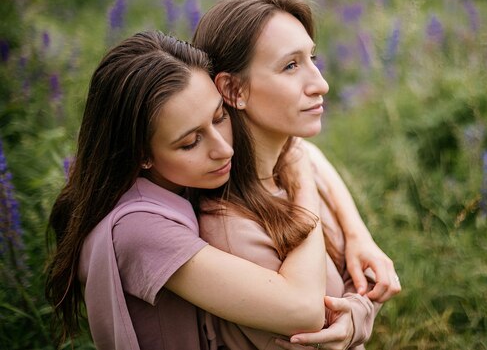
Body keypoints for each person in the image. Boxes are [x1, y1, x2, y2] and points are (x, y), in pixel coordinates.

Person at [45, 30, 330, 350]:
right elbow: (303, 310)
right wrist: (302, 178)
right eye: (190, 142)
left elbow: (300, 148)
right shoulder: (139, 230)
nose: (223, 149)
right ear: (142, 155)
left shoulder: (181, 180)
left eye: (220, 117)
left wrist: (361, 241)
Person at [191, 0, 401, 349]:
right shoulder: (233, 231)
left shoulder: (291, 163)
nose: (321, 84)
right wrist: (359, 313)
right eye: (291, 66)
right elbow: (321, 336)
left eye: (312, 58)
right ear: (233, 89)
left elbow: (363, 281)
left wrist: (357, 235)